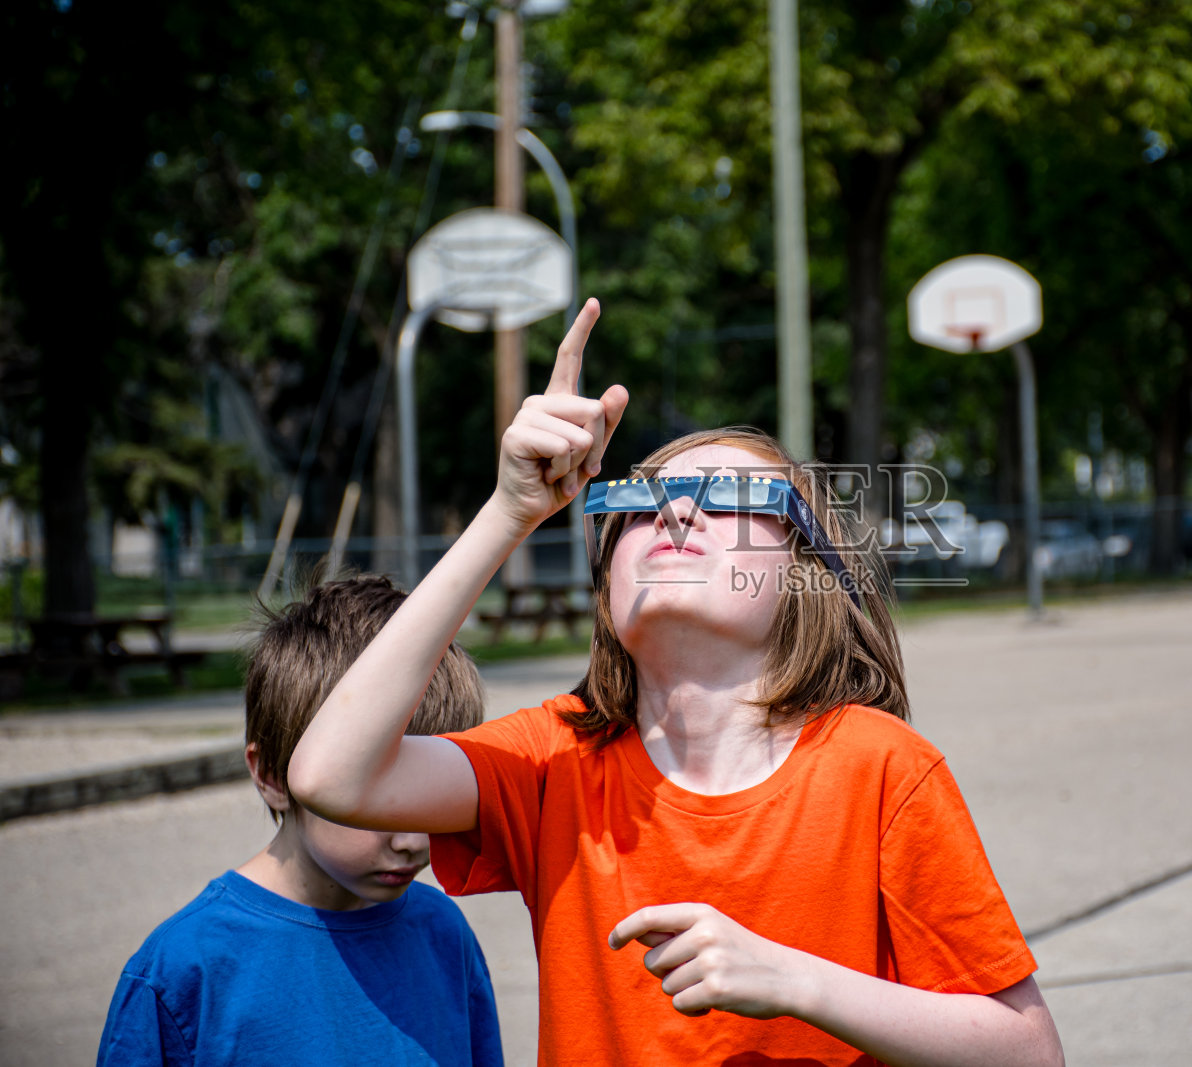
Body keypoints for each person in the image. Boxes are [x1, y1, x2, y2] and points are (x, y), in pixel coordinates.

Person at [289, 300, 1064, 1067]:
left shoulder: (883, 768)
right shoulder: (554, 758)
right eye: (635, 500)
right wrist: (508, 511)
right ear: (606, 584)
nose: (677, 511)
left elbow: (1030, 1052)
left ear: (806, 574)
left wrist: (798, 981)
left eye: (732, 497)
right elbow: (329, 774)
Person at [98, 576, 504, 1067]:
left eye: (430, 795)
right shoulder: (187, 969)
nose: (414, 840)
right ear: (272, 775)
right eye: (375, 797)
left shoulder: (443, 935)